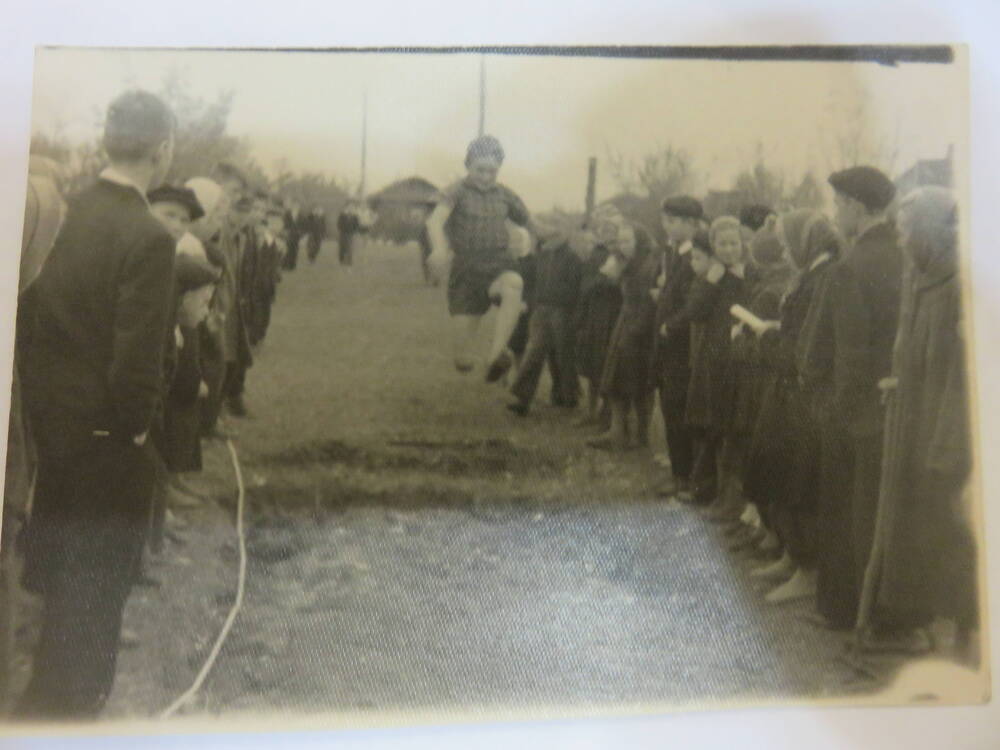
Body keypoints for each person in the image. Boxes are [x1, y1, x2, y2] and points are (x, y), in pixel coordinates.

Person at [15, 89, 176, 718]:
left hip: (45, 433)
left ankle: (42, 707)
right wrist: (133, 432)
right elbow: (137, 363)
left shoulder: (58, 212)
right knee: (94, 607)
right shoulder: (149, 236)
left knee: (57, 591)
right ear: (162, 151)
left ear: (108, 142)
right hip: (105, 445)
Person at [871, 187, 977, 661]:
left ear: (932, 230)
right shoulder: (919, 277)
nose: (899, 238)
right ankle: (925, 627)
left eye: (906, 228)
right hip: (915, 426)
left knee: (956, 537)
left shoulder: (960, 284)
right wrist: (901, 381)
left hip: (946, 438)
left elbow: (963, 378)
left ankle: (969, 636)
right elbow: (916, 352)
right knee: (921, 533)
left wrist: (947, 447)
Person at [799, 165, 902, 632]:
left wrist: (833, 409)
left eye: (838, 204)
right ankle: (887, 615)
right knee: (879, 515)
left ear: (857, 208)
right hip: (893, 409)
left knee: (844, 513)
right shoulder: (905, 257)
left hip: (854, 413)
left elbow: (850, 355)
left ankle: (843, 610)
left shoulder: (850, 266)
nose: (835, 212)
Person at [744, 210, 840, 603]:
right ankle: (791, 555)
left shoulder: (821, 279)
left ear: (805, 241)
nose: (783, 252)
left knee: (798, 481)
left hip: (802, 396)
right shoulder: (811, 276)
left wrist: (766, 338)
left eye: (787, 243)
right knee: (780, 474)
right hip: (788, 392)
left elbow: (805, 347)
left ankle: (807, 569)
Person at [425, 135, 532, 382]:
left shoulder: (505, 195)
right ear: (468, 165)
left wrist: (556, 234)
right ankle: (467, 357)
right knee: (462, 362)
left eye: (492, 172)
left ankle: (496, 356)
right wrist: (439, 248)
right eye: (480, 170)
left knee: (514, 283)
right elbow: (435, 221)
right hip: (466, 273)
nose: (486, 177)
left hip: (498, 266)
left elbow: (531, 223)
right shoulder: (456, 191)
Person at [678, 218, 750, 505]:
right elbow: (693, 311)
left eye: (734, 243)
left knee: (731, 426)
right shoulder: (710, 275)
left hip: (740, 355)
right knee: (710, 424)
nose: (729, 249)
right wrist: (711, 281)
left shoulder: (749, 275)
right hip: (713, 357)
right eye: (722, 244)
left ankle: (727, 496)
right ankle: (705, 489)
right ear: (714, 246)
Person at [651, 195, 704, 500]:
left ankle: (683, 477)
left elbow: (692, 304)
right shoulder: (672, 254)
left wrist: (670, 324)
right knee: (671, 409)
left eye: (671, 221)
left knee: (679, 410)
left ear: (690, 224)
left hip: (682, 348)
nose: (666, 226)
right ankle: (678, 471)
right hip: (668, 346)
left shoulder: (693, 258)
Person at [589, 221, 659, 450]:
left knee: (637, 383)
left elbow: (649, 302)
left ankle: (641, 435)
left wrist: (637, 330)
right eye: (620, 241)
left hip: (640, 329)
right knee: (616, 380)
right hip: (625, 322)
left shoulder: (648, 265)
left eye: (628, 241)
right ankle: (617, 432)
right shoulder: (626, 263)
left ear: (639, 242)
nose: (623, 245)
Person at [507, 228, 585, 416]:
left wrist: (558, 302)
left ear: (563, 236)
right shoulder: (541, 257)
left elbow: (574, 290)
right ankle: (522, 399)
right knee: (534, 353)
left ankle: (569, 400)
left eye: (552, 235)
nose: (547, 239)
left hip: (562, 312)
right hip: (541, 310)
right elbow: (534, 284)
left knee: (564, 358)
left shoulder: (573, 259)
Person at [573, 205, 624, 428]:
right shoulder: (597, 253)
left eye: (611, 227)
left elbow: (621, 283)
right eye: (603, 227)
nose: (607, 232)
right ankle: (591, 410)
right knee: (592, 363)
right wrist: (601, 281)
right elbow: (586, 283)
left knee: (610, 365)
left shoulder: (623, 253)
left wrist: (604, 281)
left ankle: (608, 413)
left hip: (615, 314)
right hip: (595, 314)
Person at [282, 199, 303, 271]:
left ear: (299, 207)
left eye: (297, 206)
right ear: (292, 206)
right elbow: (285, 223)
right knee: (287, 249)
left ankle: (292, 266)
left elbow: (303, 225)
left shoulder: (301, 215)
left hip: (297, 235)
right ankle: (285, 265)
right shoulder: (287, 213)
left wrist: (300, 233)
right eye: (294, 205)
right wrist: (285, 231)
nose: (296, 207)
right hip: (288, 234)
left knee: (295, 250)